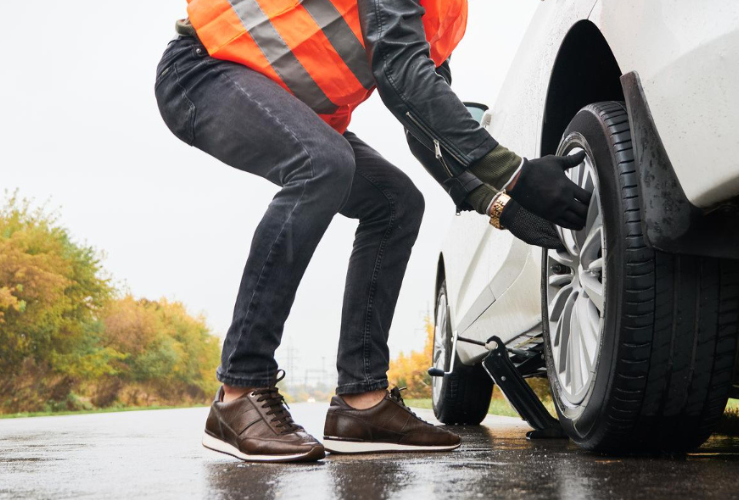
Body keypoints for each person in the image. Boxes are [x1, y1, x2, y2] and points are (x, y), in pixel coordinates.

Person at [154, 0, 590, 463]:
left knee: (396, 204)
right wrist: (517, 173)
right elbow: (401, 75)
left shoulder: (446, 12)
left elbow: (424, 120)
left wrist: (502, 204)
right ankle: (238, 395)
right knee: (322, 164)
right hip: (203, 71)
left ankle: (362, 405)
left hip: (292, 109)